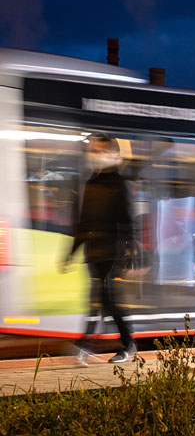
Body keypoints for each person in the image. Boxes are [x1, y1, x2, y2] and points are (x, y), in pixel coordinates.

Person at [61, 134, 136, 364]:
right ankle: (105, 344)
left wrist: (129, 254)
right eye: (94, 151)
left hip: (111, 252)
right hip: (93, 253)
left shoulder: (119, 184)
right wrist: (71, 253)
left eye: (102, 151)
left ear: (113, 155)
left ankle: (92, 344)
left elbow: (127, 222)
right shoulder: (91, 184)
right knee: (101, 299)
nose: (97, 155)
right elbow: (84, 223)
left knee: (105, 299)